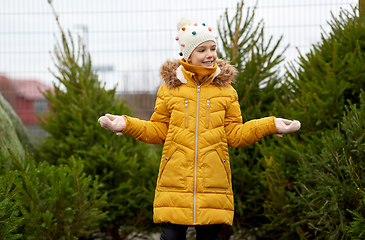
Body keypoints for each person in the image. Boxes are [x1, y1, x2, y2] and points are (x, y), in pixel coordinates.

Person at [98, 17, 301, 240]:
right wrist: (126, 124)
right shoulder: (169, 89)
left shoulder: (226, 91)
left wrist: (270, 125)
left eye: (212, 48)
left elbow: (235, 134)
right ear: (187, 55)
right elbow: (158, 131)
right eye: (202, 49)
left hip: (213, 187)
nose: (210, 54)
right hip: (174, 185)